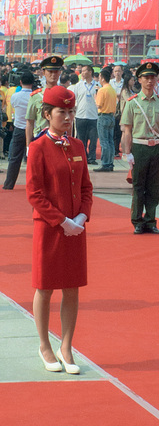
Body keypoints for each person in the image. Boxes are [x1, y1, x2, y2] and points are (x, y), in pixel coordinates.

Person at [26, 86, 93, 375]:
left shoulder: (77, 146)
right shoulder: (38, 147)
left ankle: (67, 346)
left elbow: (87, 187)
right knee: (45, 287)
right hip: (50, 228)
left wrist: (80, 217)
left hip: (75, 229)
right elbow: (34, 193)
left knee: (72, 287)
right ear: (47, 114)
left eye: (70, 111)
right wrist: (61, 221)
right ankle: (44, 345)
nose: (67, 117)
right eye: (60, 112)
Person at [121, 62, 159, 234]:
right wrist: (128, 153)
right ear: (139, 80)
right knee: (139, 186)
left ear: (156, 79)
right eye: (146, 77)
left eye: (152, 77)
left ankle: (151, 220)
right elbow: (127, 129)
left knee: (154, 186)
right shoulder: (132, 103)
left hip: (155, 148)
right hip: (139, 147)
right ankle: (137, 221)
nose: (149, 81)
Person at [2, 71, 35, 190]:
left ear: (20, 82)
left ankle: (9, 184)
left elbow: (14, 107)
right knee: (34, 158)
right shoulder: (35, 96)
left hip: (19, 129)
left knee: (15, 158)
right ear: (33, 82)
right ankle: (34, 185)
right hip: (33, 131)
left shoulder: (15, 96)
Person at [26, 56, 63, 150]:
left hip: (59, 139)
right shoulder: (36, 96)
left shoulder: (64, 95)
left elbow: (69, 121)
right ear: (44, 73)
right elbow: (30, 122)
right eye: (50, 72)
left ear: (60, 73)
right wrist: (28, 146)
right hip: (40, 139)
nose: (53, 75)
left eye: (56, 72)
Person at [73, 65, 99, 165]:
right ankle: (82, 157)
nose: (82, 73)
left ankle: (92, 158)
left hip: (93, 116)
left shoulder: (97, 85)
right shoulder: (78, 86)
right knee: (80, 140)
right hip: (80, 115)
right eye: (82, 71)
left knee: (93, 139)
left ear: (90, 72)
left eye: (84, 71)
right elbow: (74, 99)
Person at [94, 69, 116, 172]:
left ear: (102, 78)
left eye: (99, 77)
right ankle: (110, 162)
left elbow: (98, 104)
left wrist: (95, 96)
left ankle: (105, 163)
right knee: (110, 141)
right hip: (111, 116)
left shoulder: (102, 90)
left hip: (103, 116)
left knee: (104, 142)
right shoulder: (112, 89)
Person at [111, 64, 124, 156]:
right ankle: (114, 149)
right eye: (115, 71)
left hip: (122, 110)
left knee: (120, 131)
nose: (117, 73)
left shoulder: (124, 82)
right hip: (113, 109)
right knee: (114, 130)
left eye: (119, 71)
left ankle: (117, 148)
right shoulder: (111, 82)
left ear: (122, 72)